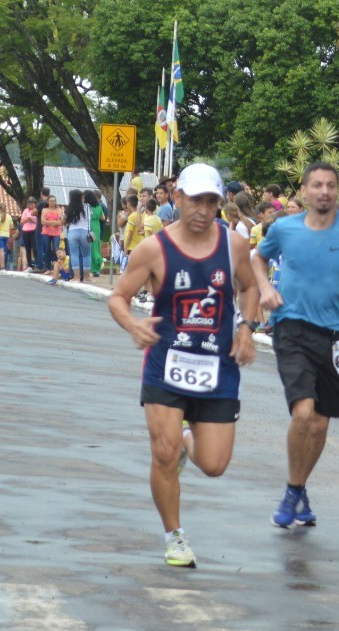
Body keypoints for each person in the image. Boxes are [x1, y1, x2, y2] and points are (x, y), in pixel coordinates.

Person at [108, 162, 258, 568]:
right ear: (177, 198)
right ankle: (175, 537)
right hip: (166, 362)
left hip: (217, 368)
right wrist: (133, 326)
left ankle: (189, 440)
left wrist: (247, 328)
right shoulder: (154, 248)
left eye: (211, 202)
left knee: (214, 465)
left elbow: (250, 288)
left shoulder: (233, 246)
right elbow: (118, 297)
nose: (203, 210)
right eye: (195, 201)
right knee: (163, 452)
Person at [256, 162, 339, 527]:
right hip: (292, 327)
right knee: (302, 413)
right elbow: (258, 258)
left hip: (336, 335)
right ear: (304, 191)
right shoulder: (285, 228)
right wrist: (266, 287)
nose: (324, 191)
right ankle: (292, 490)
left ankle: (298, 488)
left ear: (337, 190)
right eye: (317, 185)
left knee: (319, 424)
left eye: (331, 185)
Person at [64, 190, 92, 285]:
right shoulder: (87, 206)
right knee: (86, 255)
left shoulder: (69, 208)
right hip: (84, 231)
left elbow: (64, 220)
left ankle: (76, 277)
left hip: (72, 231)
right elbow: (89, 219)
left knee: (74, 254)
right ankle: (86, 277)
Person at [40, 192, 64, 270]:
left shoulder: (59, 210)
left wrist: (48, 222)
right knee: (46, 249)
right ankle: (48, 268)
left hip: (56, 233)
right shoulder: (44, 210)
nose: (53, 202)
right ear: (48, 202)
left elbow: (60, 222)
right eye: (51, 201)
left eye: (54, 201)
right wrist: (54, 222)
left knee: (55, 249)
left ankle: (56, 267)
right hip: (46, 233)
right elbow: (43, 222)